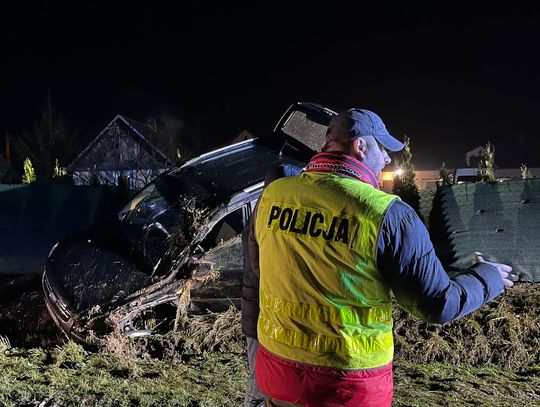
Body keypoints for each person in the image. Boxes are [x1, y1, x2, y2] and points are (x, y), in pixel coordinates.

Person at [249, 108, 514, 407]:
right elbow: (437, 304)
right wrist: (488, 277)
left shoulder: (274, 195)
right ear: (360, 145)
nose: (388, 158)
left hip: (278, 375)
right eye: (383, 148)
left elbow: (260, 268)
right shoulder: (386, 212)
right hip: (345, 387)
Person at [242, 163, 303, 407]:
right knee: (259, 389)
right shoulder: (266, 220)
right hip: (262, 320)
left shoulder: (267, 215)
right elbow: (262, 270)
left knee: (269, 387)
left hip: (265, 319)